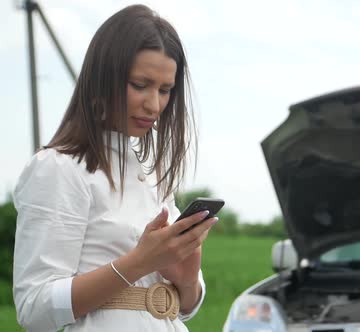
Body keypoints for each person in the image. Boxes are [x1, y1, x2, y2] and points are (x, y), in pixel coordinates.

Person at [12, 4, 217, 332]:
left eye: (165, 90)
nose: (154, 104)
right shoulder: (58, 168)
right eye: (140, 84)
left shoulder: (152, 174)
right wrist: (140, 262)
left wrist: (187, 276)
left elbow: (186, 308)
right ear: (103, 78)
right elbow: (33, 308)